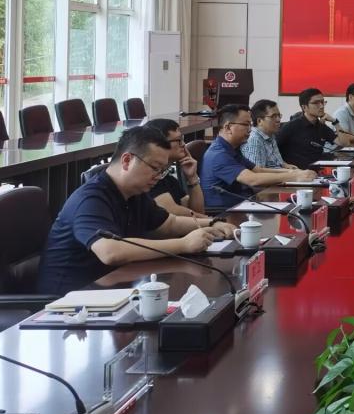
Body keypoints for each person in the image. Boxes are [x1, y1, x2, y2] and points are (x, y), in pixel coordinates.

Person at [37, 126, 233, 295]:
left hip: (110, 290)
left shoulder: (134, 193)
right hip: (68, 303)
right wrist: (183, 244)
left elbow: (169, 224)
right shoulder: (91, 199)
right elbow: (110, 252)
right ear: (126, 161)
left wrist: (213, 223)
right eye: (155, 168)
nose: (159, 176)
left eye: (163, 170)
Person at [201, 104, 315, 210]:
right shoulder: (219, 154)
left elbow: (258, 170)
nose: (250, 129)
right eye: (246, 125)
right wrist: (294, 176)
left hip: (245, 202)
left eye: (250, 125)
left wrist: (294, 172)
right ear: (228, 127)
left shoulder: (232, 148)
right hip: (226, 212)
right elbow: (253, 179)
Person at [145, 117, 206, 216]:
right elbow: (185, 216)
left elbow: (198, 212)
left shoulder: (168, 179)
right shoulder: (150, 180)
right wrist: (213, 220)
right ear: (160, 144)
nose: (183, 144)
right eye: (179, 140)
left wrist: (192, 178)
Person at [276, 88, 347, 170]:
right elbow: (273, 150)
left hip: (319, 169)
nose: (321, 106)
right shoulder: (291, 126)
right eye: (316, 103)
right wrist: (285, 165)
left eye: (322, 102)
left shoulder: (321, 126)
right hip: (299, 172)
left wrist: (335, 122)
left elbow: (344, 143)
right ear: (304, 107)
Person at [242, 99, 298, 170]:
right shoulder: (254, 140)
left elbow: (279, 163)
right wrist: (291, 173)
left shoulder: (270, 135)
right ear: (259, 121)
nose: (278, 120)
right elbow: (258, 172)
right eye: (273, 116)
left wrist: (289, 167)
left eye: (279, 115)